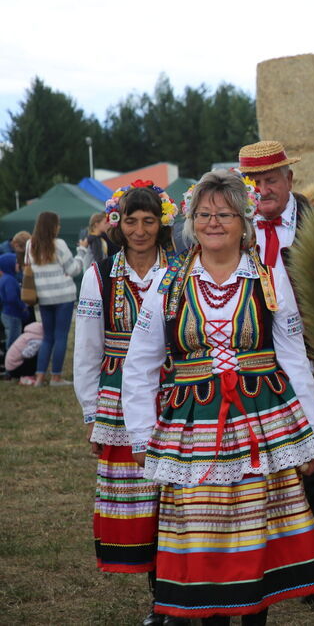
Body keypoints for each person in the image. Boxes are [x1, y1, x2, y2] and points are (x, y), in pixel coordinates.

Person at [121, 168, 314, 623]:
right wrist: (140, 434)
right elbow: (139, 363)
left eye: (225, 214)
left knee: (259, 529)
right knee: (202, 533)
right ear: (191, 220)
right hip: (193, 425)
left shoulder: (268, 275)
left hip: (261, 421)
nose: (213, 222)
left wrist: (310, 431)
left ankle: (254, 616)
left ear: (245, 220)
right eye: (204, 213)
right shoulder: (168, 282)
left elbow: (294, 355)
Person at [238, 140, 314, 599]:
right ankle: (265, 560)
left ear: (290, 180)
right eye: (254, 182)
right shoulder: (233, 230)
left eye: (271, 180)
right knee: (263, 465)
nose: (263, 189)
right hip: (255, 361)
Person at [73, 183, 178, 626]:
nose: (139, 230)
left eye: (149, 221)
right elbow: (87, 350)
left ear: (162, 223)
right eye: (131, 221)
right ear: (118, 223)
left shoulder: (179, 269)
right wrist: (93, 414)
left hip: (175, 393)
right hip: (119, 399)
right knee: (141, 504)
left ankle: (180, 594)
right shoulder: (100, 274)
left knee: (176, 495)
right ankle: (160, 600)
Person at [25, 211, 92, 386]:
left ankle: (39, 377)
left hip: (43, 297)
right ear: (53, 226)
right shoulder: (59, 244)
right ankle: (56, 377)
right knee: (61, 336)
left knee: (48, 336)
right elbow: (74, 269)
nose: (59, 227)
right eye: (58, 223)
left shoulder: (30, 244)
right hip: (63, 296)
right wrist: (82, 250)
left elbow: (28, 267)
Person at [0, 253, 30, 351]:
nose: (18, 264)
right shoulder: (10, 280)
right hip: (12, 315)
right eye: (16, 262)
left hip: (8, 313)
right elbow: (12, 298)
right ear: (8, 265)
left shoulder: (6, 278)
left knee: (11, 338)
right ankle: (11, 363)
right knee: (13, 341)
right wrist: (23, 306)